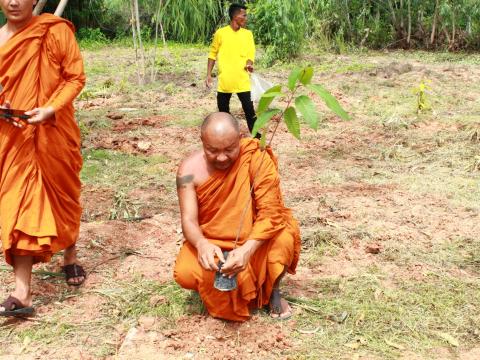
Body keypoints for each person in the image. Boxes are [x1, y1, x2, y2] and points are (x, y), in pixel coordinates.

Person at [0, 0, 86, 316]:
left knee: (64, 196)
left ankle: (70, 255)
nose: (13, 2)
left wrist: (51, 107)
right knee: (18, 205)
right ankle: (22, 293)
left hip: (55, 130)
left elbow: (75, 77)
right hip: (14, 138)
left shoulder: (54, 31)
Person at [174, 112, 300, 321]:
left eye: (230, 149)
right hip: (213, 242)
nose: (222, 157)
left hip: (253, 240)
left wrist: (247, 250)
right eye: (212, 150)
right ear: (202, 141)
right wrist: (202, 244)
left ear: (241, 138)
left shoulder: (255, 157)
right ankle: (215, 287)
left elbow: (271, 212)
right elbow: (188, 219)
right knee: (186, 271)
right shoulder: (188, 170)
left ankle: (272, 290)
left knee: (284, 236)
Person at [206, 4, 259, 138]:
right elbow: (212, 54)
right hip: (225, 81)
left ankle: (256, 137)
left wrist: (249, 64)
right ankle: (227, 135)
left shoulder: (248, 34)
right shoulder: (220, 33)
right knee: (223, 112)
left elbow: (250, 54)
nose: (246, 18)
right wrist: (208, 75)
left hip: (242, 79)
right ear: (235, 16)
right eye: (244, 15)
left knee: (249, 111)